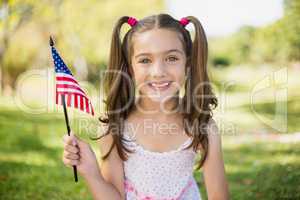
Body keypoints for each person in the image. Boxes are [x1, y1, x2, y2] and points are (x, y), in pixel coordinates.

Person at [62, 13, 229, 200]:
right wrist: (91, 172)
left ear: (187, 63)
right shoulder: (115, 127)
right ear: (130, 67)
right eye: (145, 60)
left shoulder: (202, 126)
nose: (158, 72)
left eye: (172, 58)